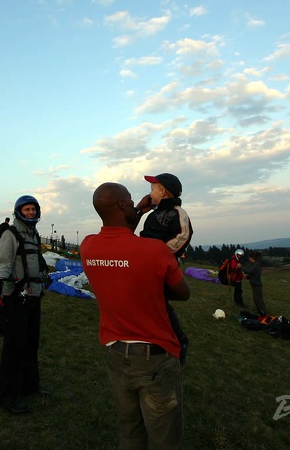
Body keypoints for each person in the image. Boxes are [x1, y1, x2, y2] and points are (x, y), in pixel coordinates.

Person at [81, 182, 190, 450]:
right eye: (129, 201)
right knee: (165, 438)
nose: (134, 203)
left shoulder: (88, 246)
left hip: (117, 356)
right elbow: (182, 293)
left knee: (130, 432)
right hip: (155, 359)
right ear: (120, 205)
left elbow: (119, 240)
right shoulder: (154, 250)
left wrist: (137, 212)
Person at [0, 195, 51, 414]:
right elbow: (4, 261)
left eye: (33, 209)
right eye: (27, 209)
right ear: (18, 211)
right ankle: (8, 395)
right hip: (16, 298)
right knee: (14, 347)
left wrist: (44, 273)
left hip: (34, 296)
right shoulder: (11, 233)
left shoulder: (33, 235)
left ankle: (29, 386)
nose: (31, 213)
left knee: (31, 343)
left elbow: (35, 259)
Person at [134, 173, 193, 366]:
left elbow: (183, 235)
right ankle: (154, 339)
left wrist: (160, 255)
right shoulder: (152, 215)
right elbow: (143, 238)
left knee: (160, 304)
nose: (149, 193)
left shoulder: (178, 212)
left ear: (163, 191)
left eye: (152, 188)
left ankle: (179, 340)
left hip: (161, 268)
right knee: (151, 303)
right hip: (146, 267)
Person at [241, 250, 266, 315]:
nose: (248, 259)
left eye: (249, 257)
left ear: (251, 258)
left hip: (257, 284)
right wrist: (247, 277)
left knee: (259, 299)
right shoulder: (255, 264)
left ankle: (263, 312)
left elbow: (250, 271)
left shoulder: (256, 264)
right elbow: (253, 274)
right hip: (254, 283)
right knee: (255, 298)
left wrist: (240, 267)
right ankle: (259, 310)